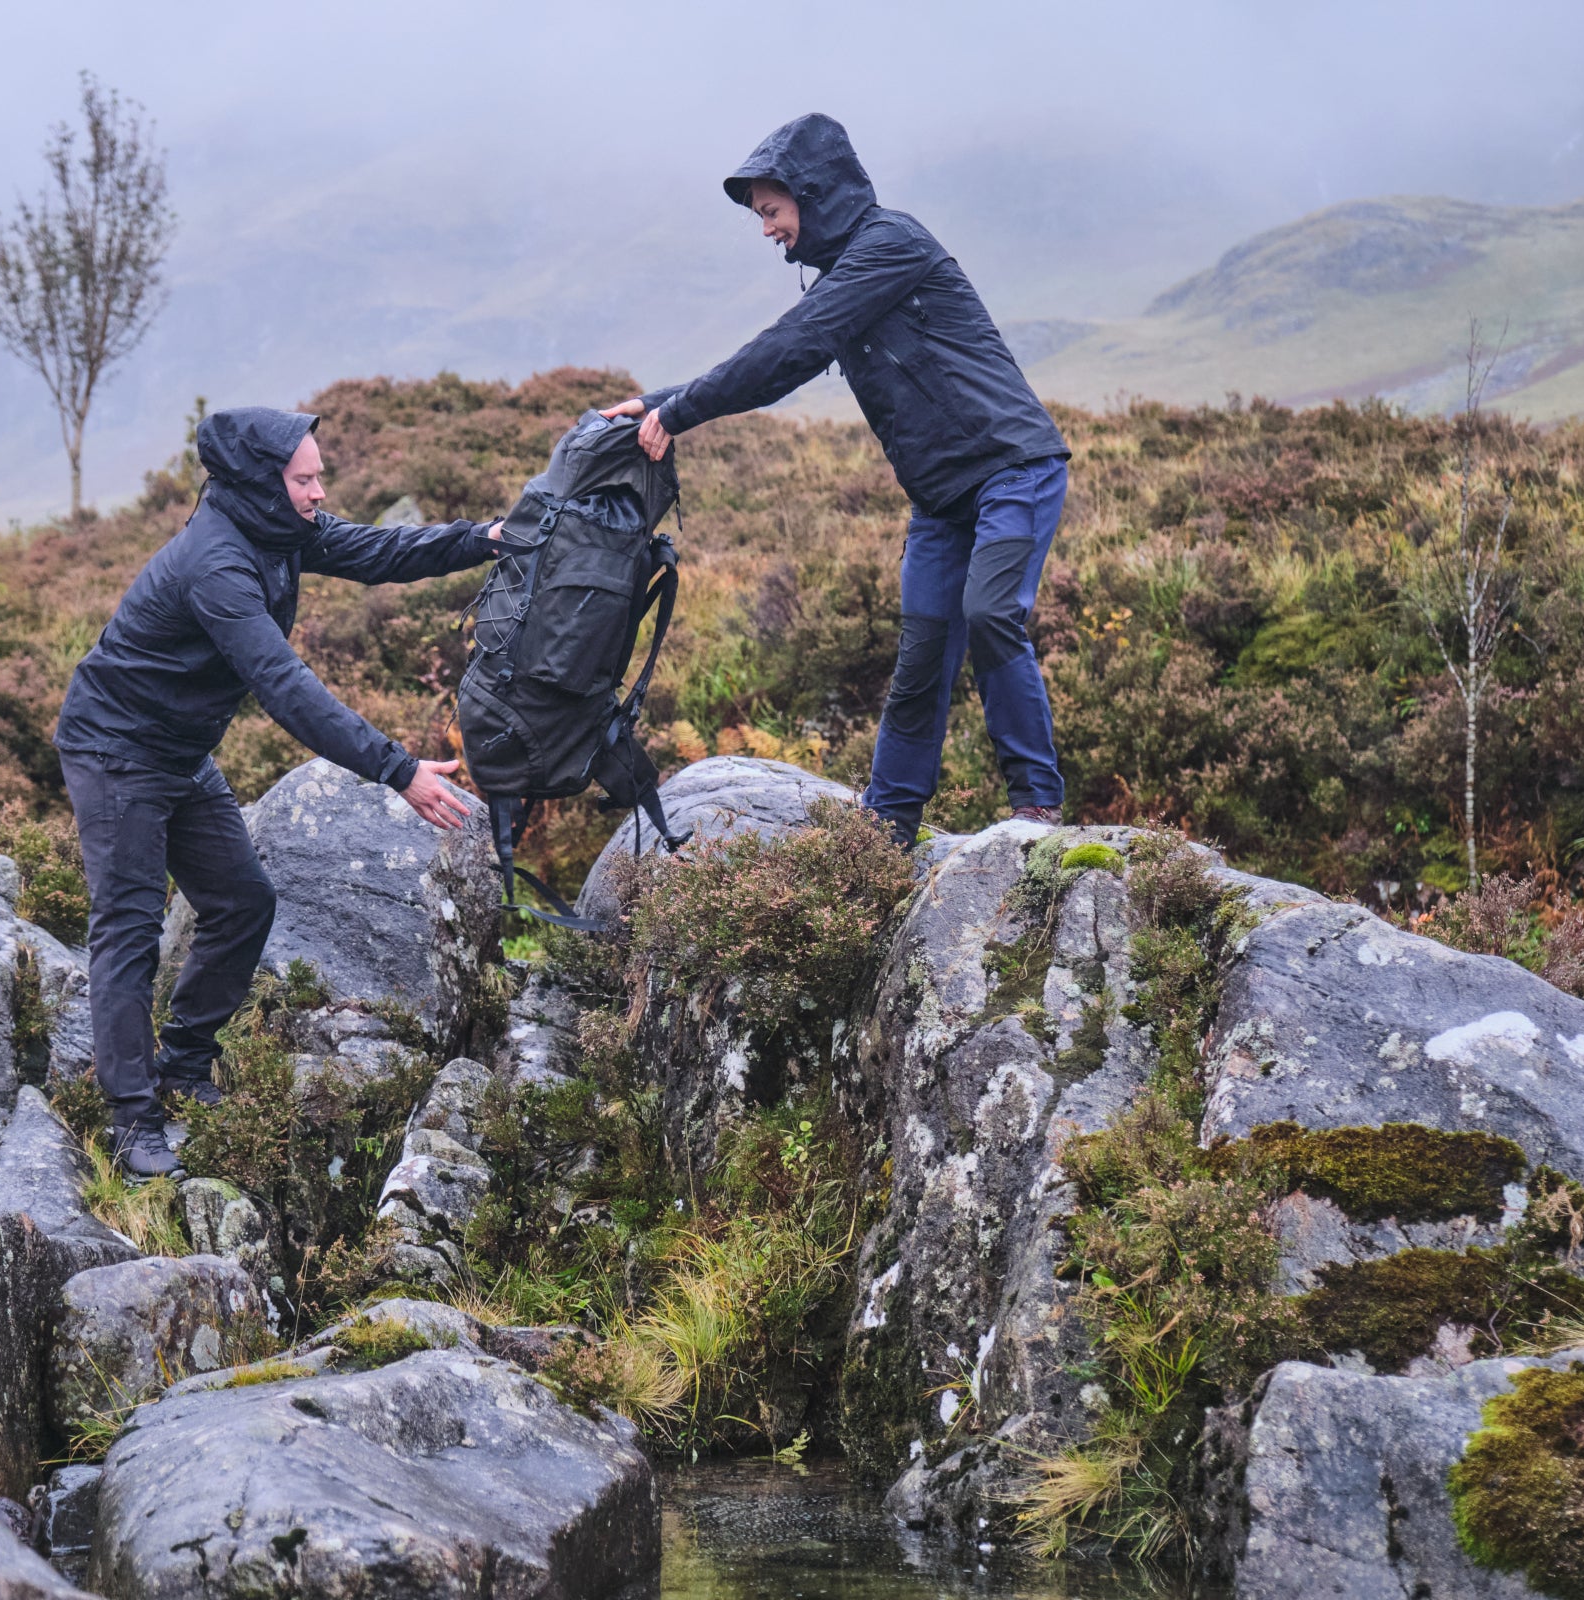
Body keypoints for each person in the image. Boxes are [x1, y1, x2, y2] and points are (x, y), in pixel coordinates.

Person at [52, 406, 501, 1177]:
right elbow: (286, 690)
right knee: (127, 930)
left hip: (180, 751)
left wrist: (482, 538)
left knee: (242, 903)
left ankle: (185, 1067)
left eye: (319, 474)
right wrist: (400, 771)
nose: (320, 490)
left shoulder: (278, 526)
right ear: (264, 480)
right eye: (306, 478)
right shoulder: (217, 565)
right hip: (117, 751)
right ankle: (133, 1124)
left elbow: (380, 549)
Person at [605, 113, 1071, 842]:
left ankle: (1037, 809)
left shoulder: (891, 246)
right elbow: (782, 359)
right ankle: (886, 829)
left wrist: (684, 410)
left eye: (770, 212)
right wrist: (668, 399)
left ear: (812, 194)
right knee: (921, 658)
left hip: (1013, 468)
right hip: (942, 501)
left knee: (988, 615)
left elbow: (794, 343)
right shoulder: (842, 277)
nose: (765, 230)